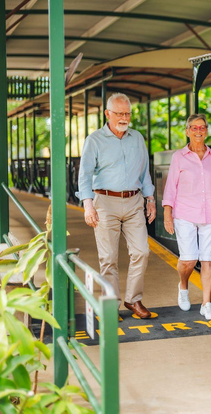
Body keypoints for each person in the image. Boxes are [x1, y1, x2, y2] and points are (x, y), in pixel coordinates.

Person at [78, 93, 156, 319]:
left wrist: (150, 200)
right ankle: (111, 305)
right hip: (105, 202)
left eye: (127, 113)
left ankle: (133, 299)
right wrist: (88, 205)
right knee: (109, 258)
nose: (124, 117)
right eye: (119, 113)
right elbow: (84, 175)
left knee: (142, 251)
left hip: (134, 201)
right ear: (107, 114)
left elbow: (145, 173)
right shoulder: (94, 140)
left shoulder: (137, 138)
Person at [162, 114, 211, 321]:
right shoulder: (179, 157)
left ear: (207, 131)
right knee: (189, 259)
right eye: (194, 128)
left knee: (208, 260)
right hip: (184, 214)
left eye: (202, 127)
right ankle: (183, 285)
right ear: (187, 131)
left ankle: (206, 304)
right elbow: (170, 188)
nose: (198, 131)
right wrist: (168, 214)